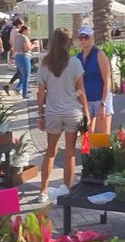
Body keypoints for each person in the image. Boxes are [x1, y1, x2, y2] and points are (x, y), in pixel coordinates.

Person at [37, 28, 90, 203]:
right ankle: (66, 190)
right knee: (70, 154)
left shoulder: (45, 64)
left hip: (52, 112)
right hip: (72, 112)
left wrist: (40, 114)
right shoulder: (75, 63)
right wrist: (87, 112)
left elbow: (41, 92)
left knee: (50, 153)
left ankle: (43, 192)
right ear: (68, 43)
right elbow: (80, 90)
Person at [76, 25, 113, 132]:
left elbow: (107, 80)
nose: (83, 41)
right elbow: (78, 82)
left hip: (100, 99)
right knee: (86, 135)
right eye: (81, 38)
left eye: (86, 37)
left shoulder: (99, 54)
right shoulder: (78, 57)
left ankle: (102, 149)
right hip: (86, 100)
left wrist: (103, 103)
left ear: (92, 38)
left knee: (102, 137)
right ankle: (88, 150)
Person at [12, 23, 35, 98]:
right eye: (28, 30)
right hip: (24, 57)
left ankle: (22, 88)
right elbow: (27, 48)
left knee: (22, 75)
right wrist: (34, 45)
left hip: (18, 56)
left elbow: (14, 48)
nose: (29, 32)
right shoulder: (24, 37)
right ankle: (24, 94)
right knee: (26, 75)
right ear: (24, 31)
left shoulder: (17, 37)